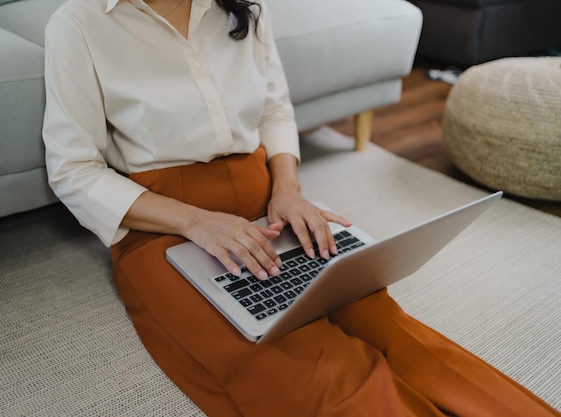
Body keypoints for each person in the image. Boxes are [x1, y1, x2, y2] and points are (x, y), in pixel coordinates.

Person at [42, 0, 560, 416]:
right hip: (165, 226)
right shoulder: (79, 23)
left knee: (393, 331)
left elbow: (274, 110)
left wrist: (286, 188)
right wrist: (197, 221)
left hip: (267, 201)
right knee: (312, 376)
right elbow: (73, 169)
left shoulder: (246, 8)